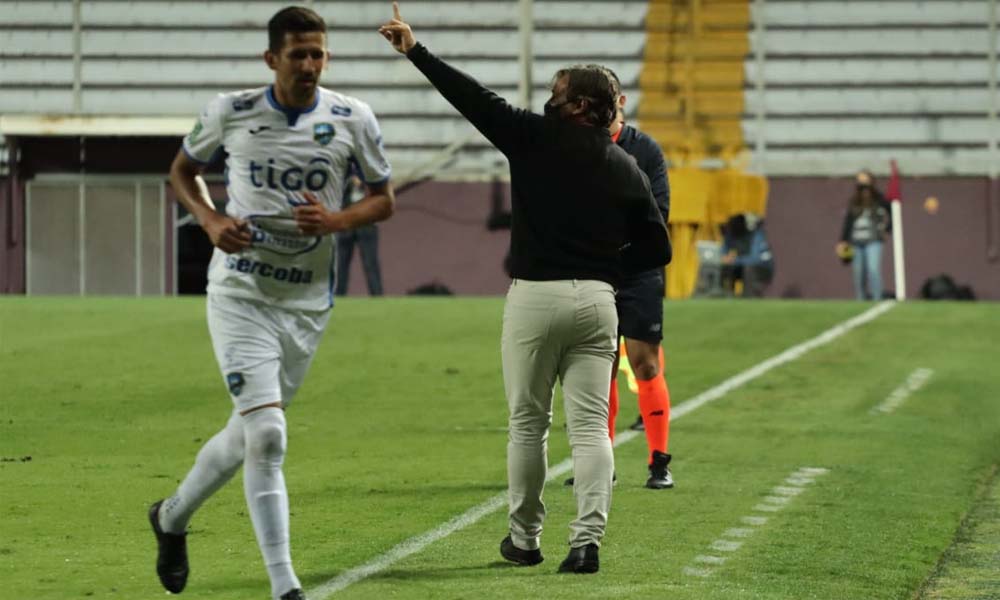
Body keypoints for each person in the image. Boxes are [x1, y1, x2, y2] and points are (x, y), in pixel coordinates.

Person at [380, 2, 670, 574]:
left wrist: (416, 51)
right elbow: (658, 247)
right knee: (591, 429)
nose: (550, 97)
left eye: (558, 91)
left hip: (535, 298)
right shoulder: (624, 165)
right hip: (598, 302)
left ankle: (525, 539)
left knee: (528, 424)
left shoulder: (533, 138)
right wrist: (611, 268)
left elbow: (470, 98)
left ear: (580, 106)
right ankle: (587, 542)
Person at [150, 7, 394, 600]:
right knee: (268, 437)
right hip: (240, 292)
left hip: (307, 303)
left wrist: (336, 219)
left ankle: (171, 518)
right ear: (271, 59)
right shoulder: (231, 111)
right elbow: (182, 171)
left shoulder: (351, 117)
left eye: (319, 54)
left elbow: (383, 199)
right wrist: (209, 219)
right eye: (298, 55)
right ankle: (285, 585)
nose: (310, 65)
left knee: (249, 434)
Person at [564, 69, 675, 490]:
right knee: (601, 366)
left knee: (645, 362)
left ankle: (658, 461)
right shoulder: (578, 146)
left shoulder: (644, 149)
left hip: (639, 271)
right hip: (595, 272)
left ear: (621, 101)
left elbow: (658, 211)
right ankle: (600, 464)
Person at [837, 170, 890, 300]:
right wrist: (843, 240)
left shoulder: (879, 199)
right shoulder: (854, 201)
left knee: (873, 270)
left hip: (874, 240)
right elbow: (848, 222)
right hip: (856, 242)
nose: (863, 185)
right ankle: (860, 301)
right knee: (858, 273)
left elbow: (891, 214)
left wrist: (887, 230)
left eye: (865, 181)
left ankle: (877, 299)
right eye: (860, 182)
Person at [335, 166, 385, 296]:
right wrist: (351, 181)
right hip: (346, 223)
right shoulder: (343, 175)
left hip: (367, 224)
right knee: (341, 263)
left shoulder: (372, 174)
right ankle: (339, 296)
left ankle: (377, 295)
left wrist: (364, 183)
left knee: (370, 263)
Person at [720, 212, 774, 298]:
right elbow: (724, 251)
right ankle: (724, 296)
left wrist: (734, 260)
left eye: (736, 225)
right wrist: (724, 258)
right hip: (743, 266)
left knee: (748, 268)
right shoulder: (732, 235)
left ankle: (749, 297)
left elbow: (755, 259)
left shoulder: (756, 235)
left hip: (762, 268)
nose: (733, 228)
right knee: (725, 268)